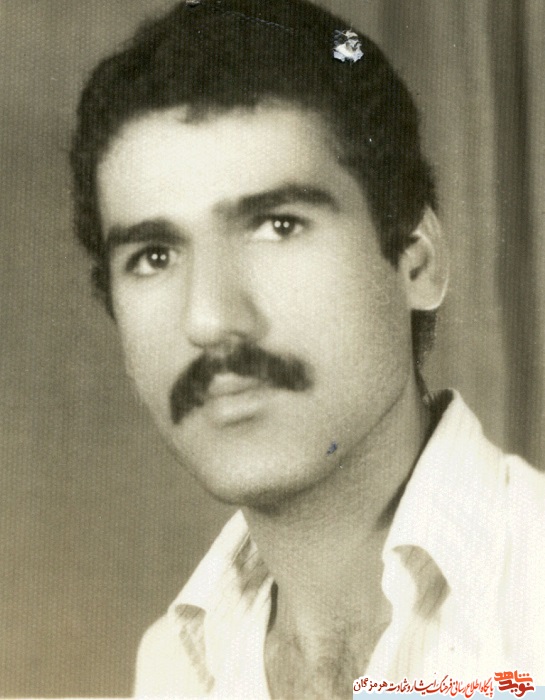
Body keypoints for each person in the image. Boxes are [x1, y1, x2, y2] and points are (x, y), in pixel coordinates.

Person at [70, 0, 545, 697]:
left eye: (278, 225)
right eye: (154, 256)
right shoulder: (176, 666)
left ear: (416, 261)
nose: (210, 319)